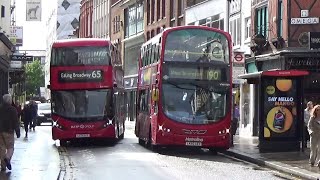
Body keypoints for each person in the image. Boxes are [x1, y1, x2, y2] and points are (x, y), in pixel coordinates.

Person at [0, 94, 20, 171]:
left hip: (0, 131)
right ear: (10, 100)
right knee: (10, 147)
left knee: (2, 148)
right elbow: (15, 121)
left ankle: (3, 166)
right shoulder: (13, 109)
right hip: (9, 131)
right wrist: (17, 131)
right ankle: (7, 158)